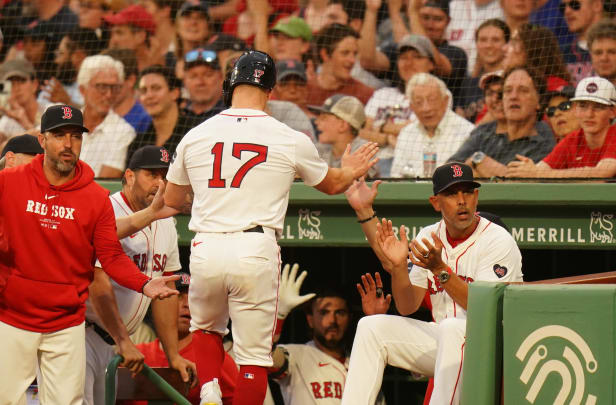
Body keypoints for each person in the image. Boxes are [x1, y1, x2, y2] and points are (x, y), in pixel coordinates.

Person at [163, 50, 378, 405]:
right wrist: (350, 168)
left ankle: (210, 389)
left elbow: (172, 197)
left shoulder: (196, 133)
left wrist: (208, 200)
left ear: (230, 84)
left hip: (207, 243)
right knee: (252, 357)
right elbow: (333, 184)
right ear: (271, 90)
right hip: (255, 247)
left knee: (205, 328)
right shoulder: (288, 136)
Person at [0, 104, 180, 404]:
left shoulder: (95, 198)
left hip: (66, 324)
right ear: (42, 141)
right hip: (13, 317)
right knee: (5, 401)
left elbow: (111, 256)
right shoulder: (10, 181)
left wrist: (144, 283)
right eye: (58, 135)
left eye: (75, 136)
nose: (68, 144)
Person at [340, 162, 524, 404]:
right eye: (451, 193)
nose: (462, 200)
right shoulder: (428, 236)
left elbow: (484, 309)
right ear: (435, 202)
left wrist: (439, 269)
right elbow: (407, 306)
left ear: (476, 196)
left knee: (451, 328)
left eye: (467, 192)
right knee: (371, 327)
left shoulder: (497, 239)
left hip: (494, 344)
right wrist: (398, 269)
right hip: (448, 343)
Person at [84, 145, 195, 405]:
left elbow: (166, 292)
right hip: (84, 334)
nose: (159, 183)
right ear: (130, 176)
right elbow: (96, 282)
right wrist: (123, 341)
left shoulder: (166, 222)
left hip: (113, 343)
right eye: (151, 175)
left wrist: (173, 355)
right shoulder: (107, 211)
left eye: (164, 176)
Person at [268, 264, 390, 405]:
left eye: (340, 313)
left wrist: (376, 322)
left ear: (349, 318)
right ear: (310, 319)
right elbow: (263, 355)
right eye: (324, 312)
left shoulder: (363, 361)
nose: (333, 320)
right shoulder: (296, 356)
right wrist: (280, 316)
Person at [127, 272, 239, 405]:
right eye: (178, 296)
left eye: (193, 298)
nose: (187, 304)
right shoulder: (136, 357)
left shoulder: (217, 360)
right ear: (158, 303)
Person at [448, 66, 557, 177]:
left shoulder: (544, 142)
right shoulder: (483, 132)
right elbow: (448, 171)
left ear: (539, 101)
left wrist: (479, 162)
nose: (513, 97)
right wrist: (474, 169)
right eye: (508, 91)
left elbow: (521, 185)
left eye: (523, 90)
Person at [507, 76, 616, 178]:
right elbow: (539, 170)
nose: (589, 114)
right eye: (583, 106)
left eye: (598, 107)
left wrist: (539, 173)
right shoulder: (572, 139)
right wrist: (526, 171)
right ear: (576, 110)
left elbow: (602, 173)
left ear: (612, 112)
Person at [362, 34, 433, 177]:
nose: (409, 63)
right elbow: (362, 133)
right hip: (372, 162)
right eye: (403, 58)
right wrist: (387, 138)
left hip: (412, 164)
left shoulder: (437, 96)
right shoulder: (382, 94)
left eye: (417, 57)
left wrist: (381, 127)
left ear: (431, 64)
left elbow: (420, 132)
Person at [390, 73, 473, 178]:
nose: (426, 108)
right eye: (419, 102)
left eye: (432, 100)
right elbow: (395, 177)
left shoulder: (466, 132)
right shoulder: (407, 133)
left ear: (445, 101)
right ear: (411, 106)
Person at [77, 54, 136, 178]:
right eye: (102, 87)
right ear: (83, 90)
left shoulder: (123, 131)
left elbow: (106, 183)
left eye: (114, 88)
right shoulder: (65, 121)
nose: (109, 95)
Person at [126, 65, 203, 159]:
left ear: (174, 93)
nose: (149, 95)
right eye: (143, 90)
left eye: (156, 88)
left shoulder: (196, 133)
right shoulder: (138, 143)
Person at [0, 58, 45, 160]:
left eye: (21, 81)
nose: (17, 88)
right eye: (11, 83)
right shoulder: (6, 121)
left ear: (35, 85)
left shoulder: (51, 109)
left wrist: (24, 122)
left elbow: (50, 144)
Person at [310, 94, 378, 178]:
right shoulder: (319, 149)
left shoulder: (364, 150)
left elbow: (356, 184)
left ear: (342, 125)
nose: (316, 122)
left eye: (324, 118)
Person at [307, 23, 374, 106]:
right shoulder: (304, 91)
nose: (352, 60)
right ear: (325, 55)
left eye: (355, 54)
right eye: (345, 53)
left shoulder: (365, 95)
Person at [444, 0, 504, 76]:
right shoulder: (454, 5)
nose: (488, 45)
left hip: (488, 71)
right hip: (458, 74)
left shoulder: (503, 8)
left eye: (495, 40)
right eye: (483, 40)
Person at [503, 23, 571, 85]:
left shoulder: (556, 85)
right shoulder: (504, 81)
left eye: (514, 42)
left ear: (532, 50)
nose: (504, 48)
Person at [104, 48, 152, 135]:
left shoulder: (145, 119)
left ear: (131, 80)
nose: (106, 87)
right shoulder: (97, 116)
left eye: (112, 79)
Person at [104, 4, 159, 71]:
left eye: (119, 33)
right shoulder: (104, 67)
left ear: (140, 37)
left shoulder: (163, 70)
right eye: (112, 34)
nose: (113, 41)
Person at [560, 0, 603, 83]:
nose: (567, 11)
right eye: (563, 7)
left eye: (575, 4)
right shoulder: (562, 54)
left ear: (597, 5)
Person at [182, 48, 226, 120]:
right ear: (184, 81)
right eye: (193, 76)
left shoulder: (231, 114)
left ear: (221, 78)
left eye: (208, 75)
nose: (200, 82)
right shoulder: (178, 115)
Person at [587, 19, 616, 86]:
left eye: (611, 52)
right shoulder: (584, 89)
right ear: (591, 54)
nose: (604, 58)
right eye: (598, 53)